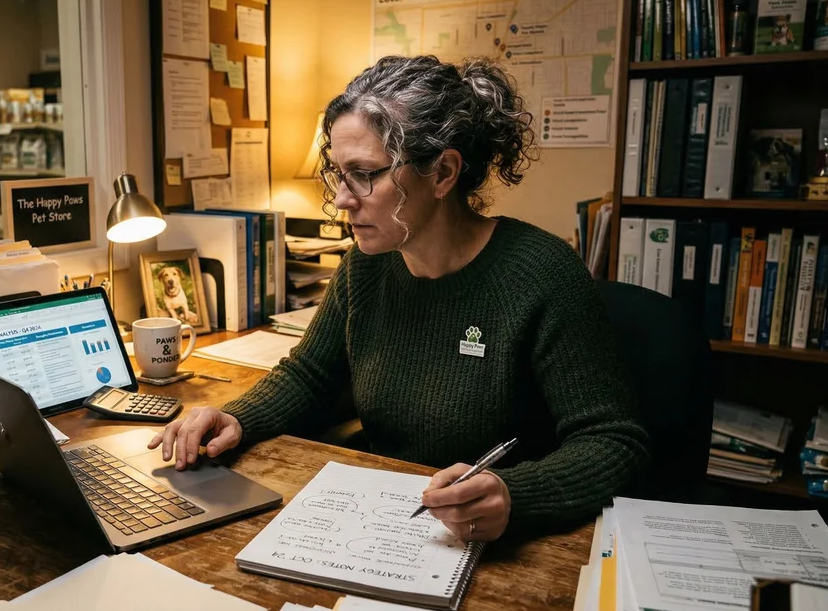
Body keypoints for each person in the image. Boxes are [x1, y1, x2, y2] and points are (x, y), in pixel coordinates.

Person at [148, 55, 650, 543]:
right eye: (338, 174)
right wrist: (237, 417)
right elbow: (312, 375)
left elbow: (612, 441)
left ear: (443, 173)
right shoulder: (366, 264)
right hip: (385, 527)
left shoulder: (541, 274)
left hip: (508, 546)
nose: (344, 199)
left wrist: (515, 493)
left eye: (365, 173)